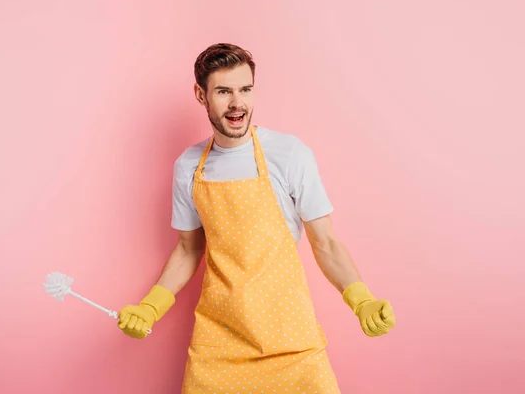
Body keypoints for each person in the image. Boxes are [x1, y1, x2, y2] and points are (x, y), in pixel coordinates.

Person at [117, 43, 396, 393]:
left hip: (292, 341)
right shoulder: (189, 166)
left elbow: (324, 241)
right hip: (218, 345)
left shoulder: (289, 154)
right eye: (223, 91)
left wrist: (361, 298)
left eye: (245, 89)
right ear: (201, 95)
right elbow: (189, 250)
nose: (238, 104)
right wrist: (150, 307)